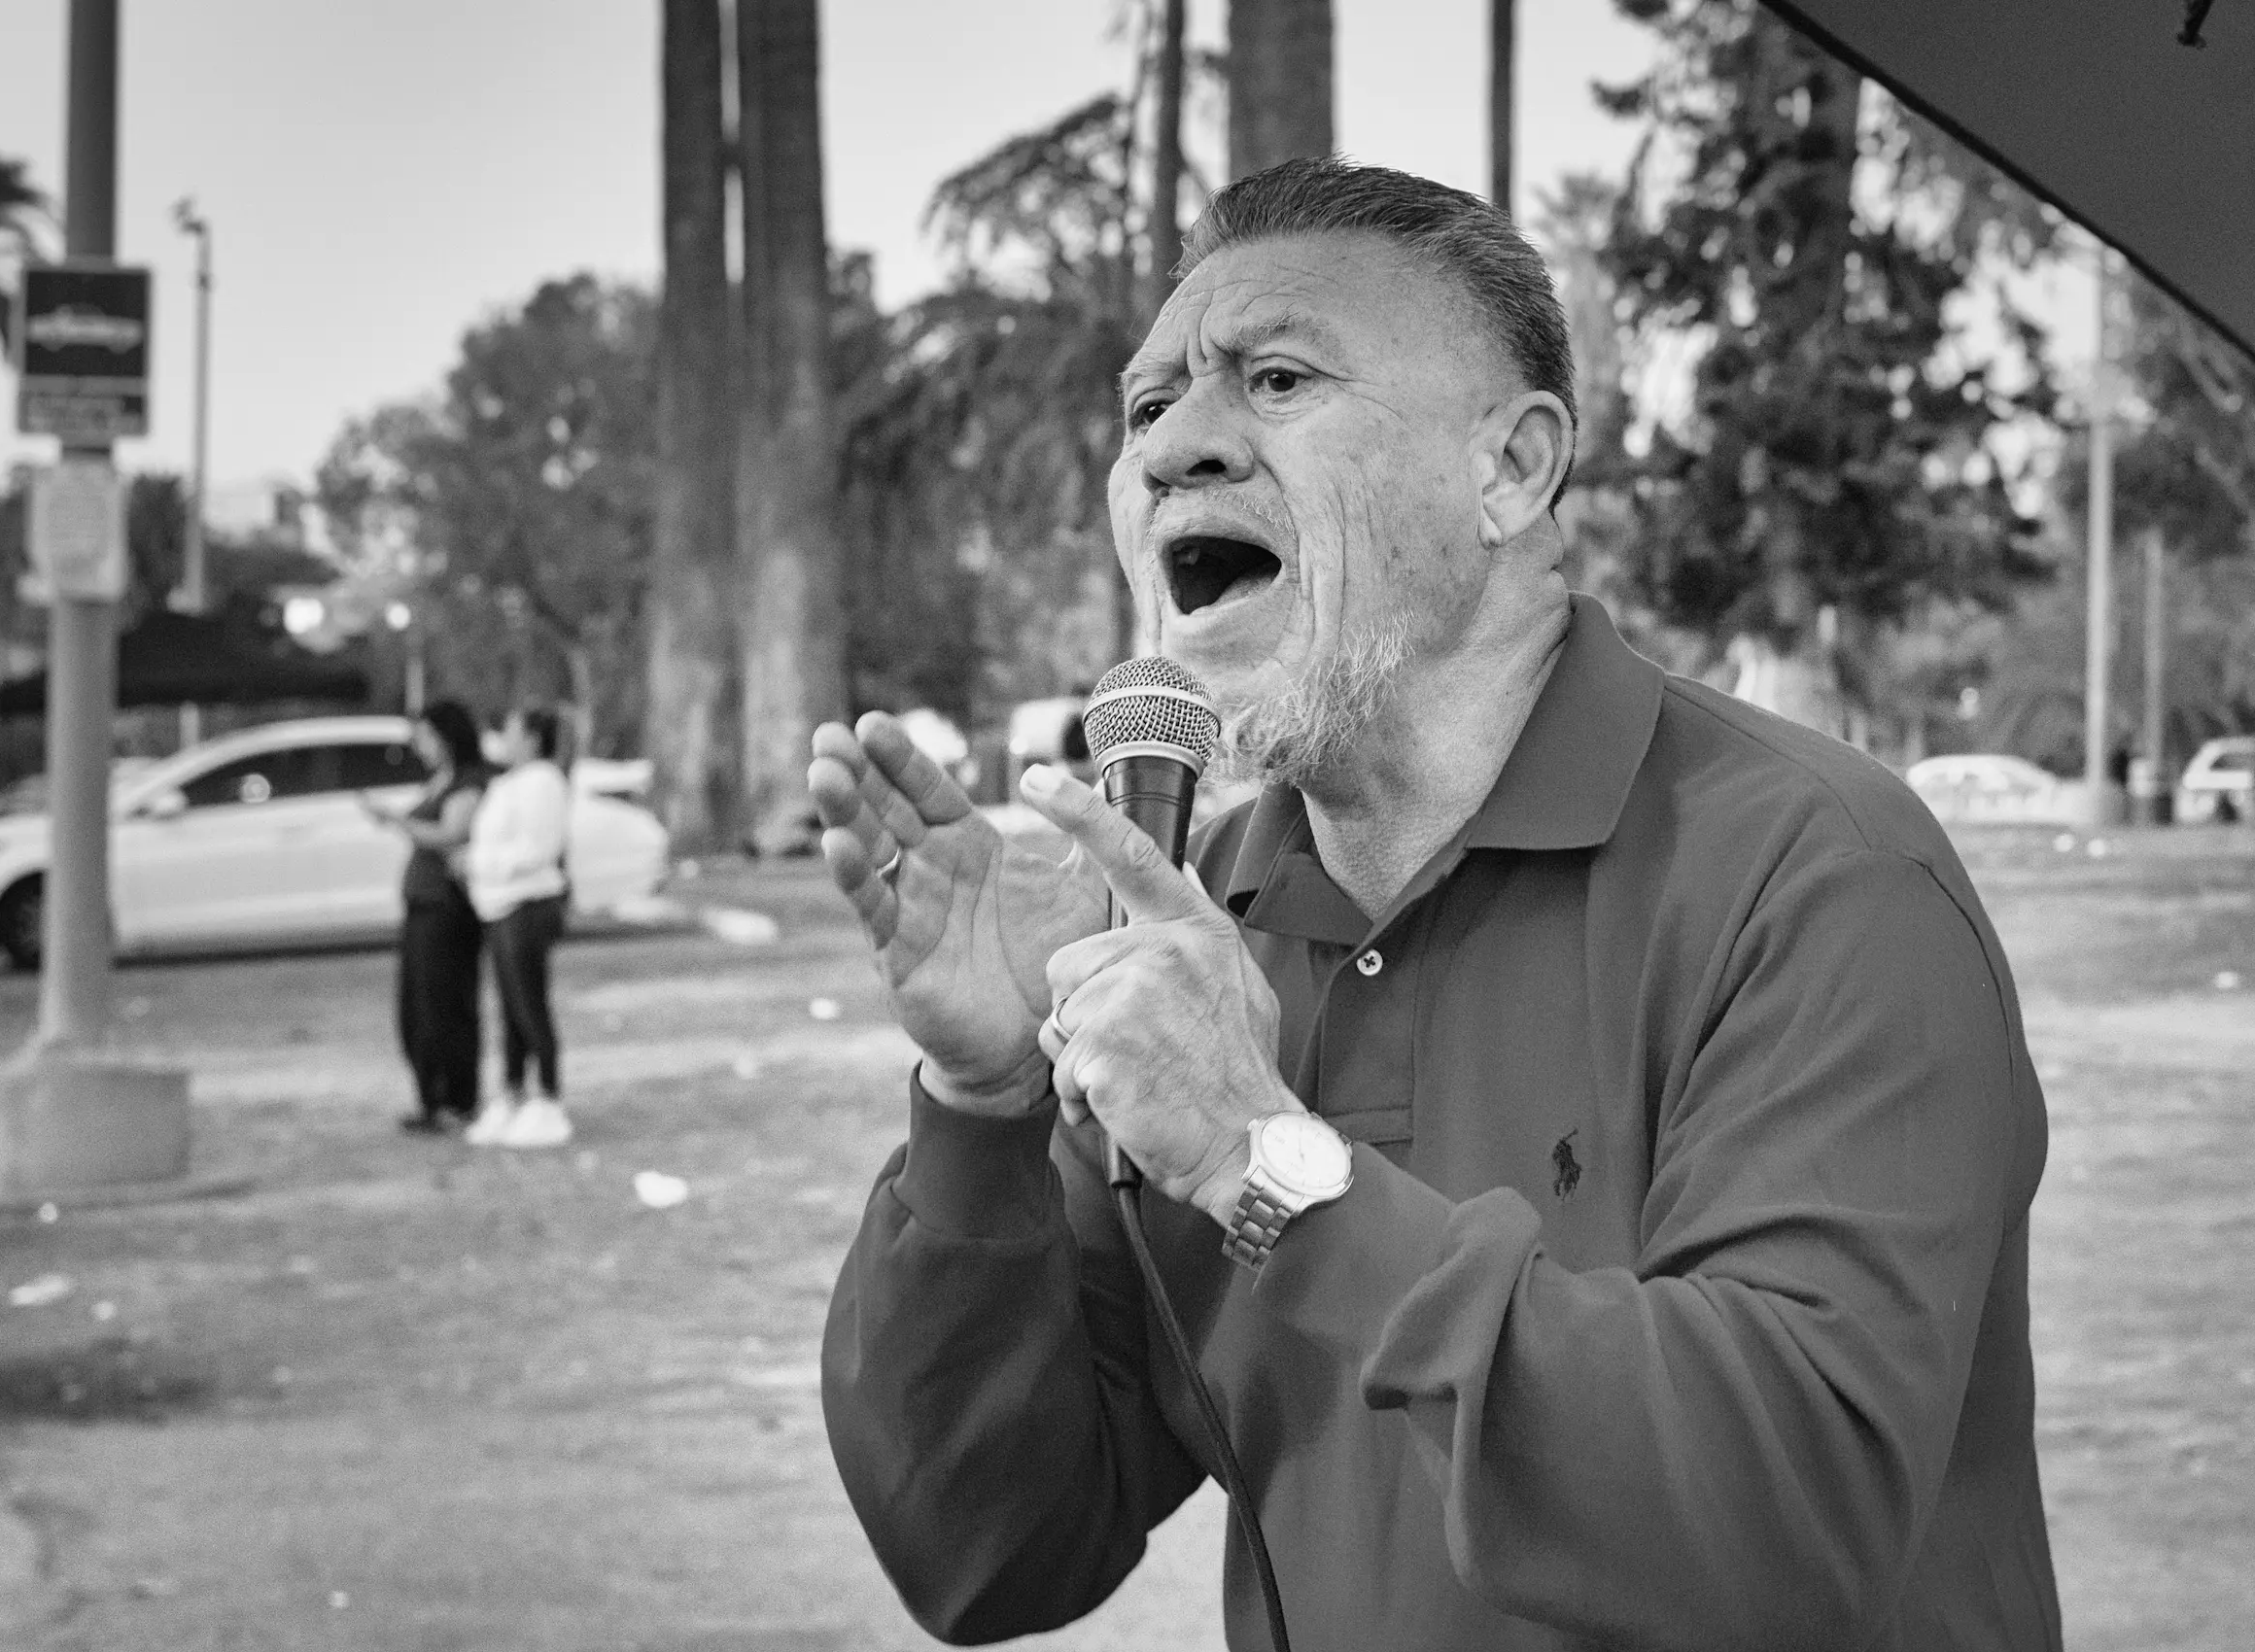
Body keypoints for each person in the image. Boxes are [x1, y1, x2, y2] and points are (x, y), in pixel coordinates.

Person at [809, 159, 2060, 1650]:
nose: (1174, 452)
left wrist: (1265, 1167)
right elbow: (987, 1549)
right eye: (1147, 410)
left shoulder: (1822, 872)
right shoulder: (1208, 935)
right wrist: (983, 1099)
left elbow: (1780, 1531)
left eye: (1274, 378)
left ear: (1513, 471)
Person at [361, 700, 491, 1134]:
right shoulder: (441, 780)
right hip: (421, 906)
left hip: (447, 908)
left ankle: (456, 1098)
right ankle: (431, 1096)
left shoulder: (469, 782)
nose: (420, 746)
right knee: (416, 1007)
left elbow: (452, 834)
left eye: (425, 737)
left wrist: (396, 820)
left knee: (446, 1004)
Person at [464, 705, 573, 1149]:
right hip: (498, 905)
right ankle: (512, 1093)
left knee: (530, 1005)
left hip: (526, 905)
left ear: (531, 739)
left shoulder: (544, 782)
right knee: (510, 1009)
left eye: (509, 731)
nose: (501, 740)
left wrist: (478, 863)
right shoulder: (511, 782)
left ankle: (548, 1096)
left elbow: (538, 848)